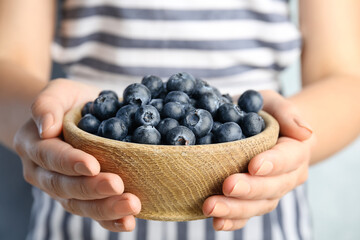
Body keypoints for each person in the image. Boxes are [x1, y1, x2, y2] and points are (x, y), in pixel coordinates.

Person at [1, 0, 360, 239]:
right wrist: (45, 120)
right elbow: (9, 60)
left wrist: (291, 141)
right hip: (81, 199)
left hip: (260, 216)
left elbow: (346, 75)